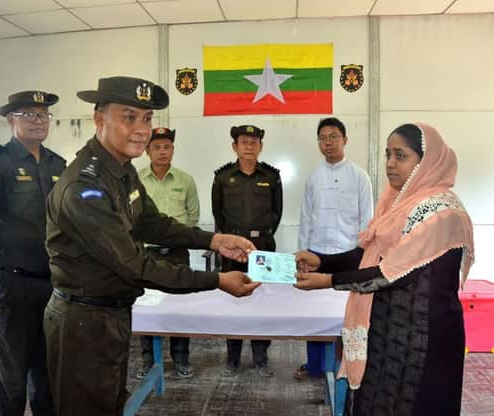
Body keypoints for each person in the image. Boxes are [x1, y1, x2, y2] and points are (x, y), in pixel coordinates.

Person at [43, 76, 261, 416]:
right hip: (82, 323)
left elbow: (153, 223)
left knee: (108, 411)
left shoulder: (122, 172)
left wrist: (213, 240)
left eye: (146, 119)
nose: (142, 130)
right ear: (100, 120)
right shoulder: (85, 187)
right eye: (129, 117)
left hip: (109, 316)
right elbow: (134, 266)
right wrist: (217, 279)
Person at [296, 123, 474, 416]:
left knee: (414, 412)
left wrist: (328, 281)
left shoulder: (443, 213)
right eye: (388, 154)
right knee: (375, 408)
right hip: (385, 333)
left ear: (425, 162)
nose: (390, 163)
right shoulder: (395, 203)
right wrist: (321, 261)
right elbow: (370, 254)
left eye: (401, 156)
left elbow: (394, 272)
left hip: (424, 341)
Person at [0, 90, 65, 416]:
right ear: (11, 120)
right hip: (9, 284)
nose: (38, 121)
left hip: (51, 285)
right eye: (29, 114)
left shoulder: (57, 164)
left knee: (48, 374)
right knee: (10, 378)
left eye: (44, 115)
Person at [295, 117, 373, 380]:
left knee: (347, 314)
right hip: (317, 255)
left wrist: (363, 256)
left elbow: (367, 221)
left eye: (333, 137)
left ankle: (345, 365)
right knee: (313, 313)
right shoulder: (314, 178)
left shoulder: (359, 176)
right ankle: (315, 365)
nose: (328, 143)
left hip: (348, 255)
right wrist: (302, 252)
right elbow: (306, 218)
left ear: (345, 140)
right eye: (323, 138)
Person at [212, 125, 283, 377]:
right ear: (235, 146)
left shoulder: (272, 177)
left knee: (263, 302)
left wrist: (259, 237)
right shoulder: (222, 178)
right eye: (244, 142)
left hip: (262, 247)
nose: (249, 146)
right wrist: (231, 241)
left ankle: (261, 357)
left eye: (254, 142)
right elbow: (218, 214)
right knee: (232, 301)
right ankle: (232, 357)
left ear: (260, 146)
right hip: (232, 250)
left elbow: (277, 214)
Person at [136, 127, 200, 379]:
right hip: (148, 255)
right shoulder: (137, 180)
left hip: (177, 254)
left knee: (180, 308)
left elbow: (192, 217)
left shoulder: (185, 180)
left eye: (167, 147)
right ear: (147, 151)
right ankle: (148, 360)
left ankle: (181, 359)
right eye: (157, 147)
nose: (162, 152)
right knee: (146, 308)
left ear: (173, 150)